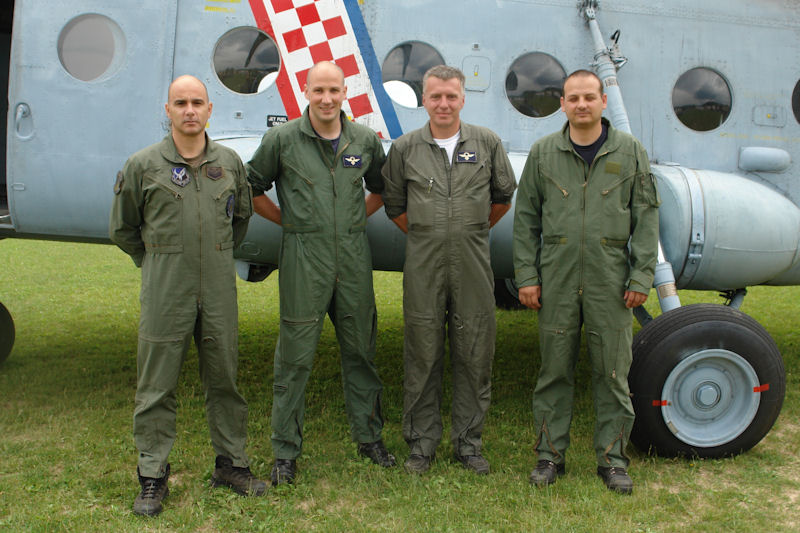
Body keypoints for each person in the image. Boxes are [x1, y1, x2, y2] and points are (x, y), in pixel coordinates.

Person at [109, 75, 266, 517]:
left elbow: (240, 220)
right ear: (169, 110)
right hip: (166, 288)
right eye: (181, 103)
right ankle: (152, 475)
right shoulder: (143, 165)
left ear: (210, 109)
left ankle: (232, 465)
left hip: (217, 285)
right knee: (156, 384)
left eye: (198, 102)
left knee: (225, 379)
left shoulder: (229, 163)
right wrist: (158, 260)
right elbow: (123, 228)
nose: (190, 110)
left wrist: (213, 256)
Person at [246, 61, 395, 486]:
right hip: (303, 257)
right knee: (294, 358)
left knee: (361, 351)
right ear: (306, 92)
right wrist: (288, 221)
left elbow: (383, 187)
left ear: (345, 92)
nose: (326, 99)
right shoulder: (282, 140)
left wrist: (353, 218)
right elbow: (251, 186)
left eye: (334, 90)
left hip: (352, 258)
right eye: (318, 90)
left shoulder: (364, 140)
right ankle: (285, 453)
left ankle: (369, 438)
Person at [512, 70, 660, 494]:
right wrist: (527, 275)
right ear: (562, 104)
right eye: (573, 98)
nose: (581, 105)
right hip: (557, 278)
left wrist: (641, 275)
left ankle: (613, 460)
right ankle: (549, 456)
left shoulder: (630, 152)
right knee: (553, 371)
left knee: (612, 374)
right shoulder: (544, 153)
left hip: (610, 280)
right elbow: (526, 221)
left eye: (589, 97)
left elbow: (646, 217)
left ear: (603, 102)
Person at [382, 65, 517, 475]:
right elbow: (394, 205)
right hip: (423, 265)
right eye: (436, 96)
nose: (444, 104)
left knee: (475, 352)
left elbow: (502, 196)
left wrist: (469, 231)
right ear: (424, 99)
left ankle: (468, 444)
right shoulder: (405, 148)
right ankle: (421, 444)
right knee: (422, 352)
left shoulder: (487, 143)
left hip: (472, 264)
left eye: (451, 96)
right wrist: (428, 234)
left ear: (462, 99)